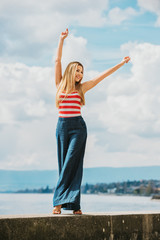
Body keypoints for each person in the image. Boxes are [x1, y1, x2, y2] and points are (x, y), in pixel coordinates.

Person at [53, 28, 130, 215]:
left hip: (78, 128)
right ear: (71, 71)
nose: (80, 74)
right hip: (62, 127)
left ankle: (58, 202)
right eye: (77, 71)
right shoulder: (60, 83)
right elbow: (57, 61)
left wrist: (120, 63)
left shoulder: (82, 88)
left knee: (73, 162)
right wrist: (62, 40)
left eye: (82, 71)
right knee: (64, 163)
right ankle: (75, 206)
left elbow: (101, 76)